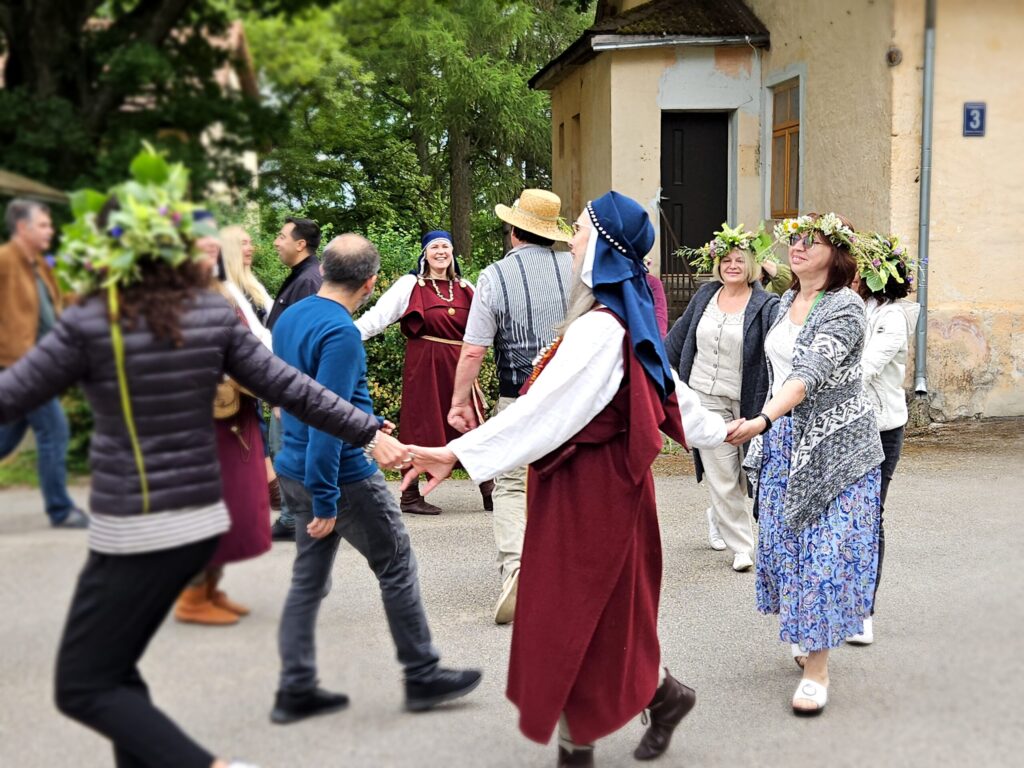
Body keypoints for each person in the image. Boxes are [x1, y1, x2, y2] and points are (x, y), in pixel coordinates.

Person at [0, 149, 410, 768]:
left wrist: (364, 431)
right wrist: (368, 428)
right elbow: (293, 388)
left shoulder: (94, 318)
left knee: (84, 684)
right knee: (114, 673)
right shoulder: (210, 313)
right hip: (195, 525)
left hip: (135, 529)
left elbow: (11, 394)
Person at [407, 192, 731, 766]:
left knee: (573, 618)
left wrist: (453, 452)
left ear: (604, 246)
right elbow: (670, 389)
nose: (572, 238)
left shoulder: (603, 329)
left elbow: (545, 413)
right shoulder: (607, 318)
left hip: (595, 496)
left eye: (579, 229)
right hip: (581, 490)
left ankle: (580, 745)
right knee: (593, 618)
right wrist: (721, 428)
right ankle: (662, 695)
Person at [269, 233, 482, 724]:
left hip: (296, 466)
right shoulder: (340, 332)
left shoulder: (293, 316)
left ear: (322, 269)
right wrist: (325, 500)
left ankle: (295, 687)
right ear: (372, 282)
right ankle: (422, 674)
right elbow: (328, 416)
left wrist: (368, 422)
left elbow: (293, 399)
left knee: (308, 580)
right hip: (338, 475)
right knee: (396, 564)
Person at [727, 212, 884, 716]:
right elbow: (768, 366)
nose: (796, 247)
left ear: (835, 254)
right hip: (782, 446)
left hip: (834, 448)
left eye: (810, 241)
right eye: (793, 239)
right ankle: (804, 629)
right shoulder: (782, 305)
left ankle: (817, 669)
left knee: (824, 552)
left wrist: (764, 419)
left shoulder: (846, 308)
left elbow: (809, 373)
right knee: (785, 546)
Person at [447, 188, 574, 624]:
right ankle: (566, 571)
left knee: (512, 484)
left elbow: (473, 350)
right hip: (575, 396)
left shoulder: (493, 276)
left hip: (518, 394)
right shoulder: (578, 268)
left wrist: (459, 401)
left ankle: (517, 567)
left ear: (513, 231)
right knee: (568, 479)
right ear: (551, 233)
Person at [173, 215, 272, 625]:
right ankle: (192, 596)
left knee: (235, 504)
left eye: (213, 243)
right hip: (203, 414)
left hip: (235, 407)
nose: (210, 248)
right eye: (201, 243)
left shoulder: (219, 287)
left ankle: (209, 587)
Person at [666, 224, 779, 571]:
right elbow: (679, 336)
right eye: (726, 259)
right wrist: (653, 367)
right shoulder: (704, 295)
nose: (732, 266)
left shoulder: (766, 304)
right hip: (704, 397)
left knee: (749, 472)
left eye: (739, 260)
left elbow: (779, 343)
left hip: (748, 400)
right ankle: (743, 547)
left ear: (752, 266)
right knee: (723, 473)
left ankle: (718, 512)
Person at [356, 230, 492, 515]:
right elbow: (379, 318)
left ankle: (489, 490)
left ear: (452, 252)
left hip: (460, 365)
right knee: (421, 424)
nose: (441, 251)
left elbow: (488, 324)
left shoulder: (466, 287)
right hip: (425, 366)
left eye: (446, 246)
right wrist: (345, 335)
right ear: (424, 253)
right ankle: (409, 496)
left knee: (471, 424)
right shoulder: (410, 285)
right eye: (434, 247)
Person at [847, 233, 918, 646]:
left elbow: (864, 368)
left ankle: (863, 610)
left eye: (861, 268)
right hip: (845, 427)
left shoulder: (891, 317)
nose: (854, 274)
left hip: (881, 429)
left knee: (870, 517)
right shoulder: (852, 306)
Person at [0, 199, 87, 528]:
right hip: (20, 368)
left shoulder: (38, 264)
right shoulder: (5, 261)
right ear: (22, 228)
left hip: (39, 366)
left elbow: (59, 304)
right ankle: (60, 510)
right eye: (44, 225)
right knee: (55, 431)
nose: (51, 230)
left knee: (6, 439)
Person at [267, 216, 324, 541]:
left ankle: (297, 520)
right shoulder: (301, 277)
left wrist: (285, 393)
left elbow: (304, 339)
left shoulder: (307, 281)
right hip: (287, 384)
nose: (276, 242)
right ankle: (295, 517)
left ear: (300, 244)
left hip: (292, 387)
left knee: (288, 450)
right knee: (285, 450)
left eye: (281, 236)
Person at [220, 224, 282, 511]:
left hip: (249, 370)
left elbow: (270, 328)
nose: (251, 247)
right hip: (228, 375)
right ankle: (268, 489)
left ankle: (266, 489)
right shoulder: (223, 288)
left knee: (251, 427)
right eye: (244, 243)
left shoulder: (251, 285)